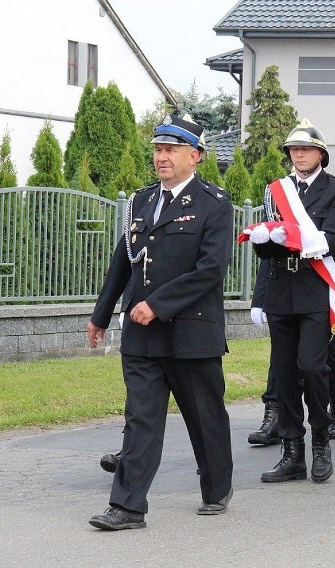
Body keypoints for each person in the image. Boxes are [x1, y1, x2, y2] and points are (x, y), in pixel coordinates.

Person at [86, 114, 234, 530]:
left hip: (191, 331)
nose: (161, 157)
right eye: (157, 149)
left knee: (204, 418)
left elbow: (210, 270)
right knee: (141, 419)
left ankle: (217, 486)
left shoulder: (215, 205)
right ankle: (128, 506)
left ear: (196, 155)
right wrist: (101, 315)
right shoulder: (142, 201)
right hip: (141, 334)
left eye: (171, 149)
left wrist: (158, 304)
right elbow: (124, 261)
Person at [249, 118, 335, 483]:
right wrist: (264, 238)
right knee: (284, 374)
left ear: (321, 154)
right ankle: (292, 450)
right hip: (281, 288)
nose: (299, 154)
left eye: (306, 149)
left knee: (313, 367)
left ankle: (321, 440)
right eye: (294, 150)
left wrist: (293, 237)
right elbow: (267, 250)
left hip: (314, 289)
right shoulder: (276, 190)